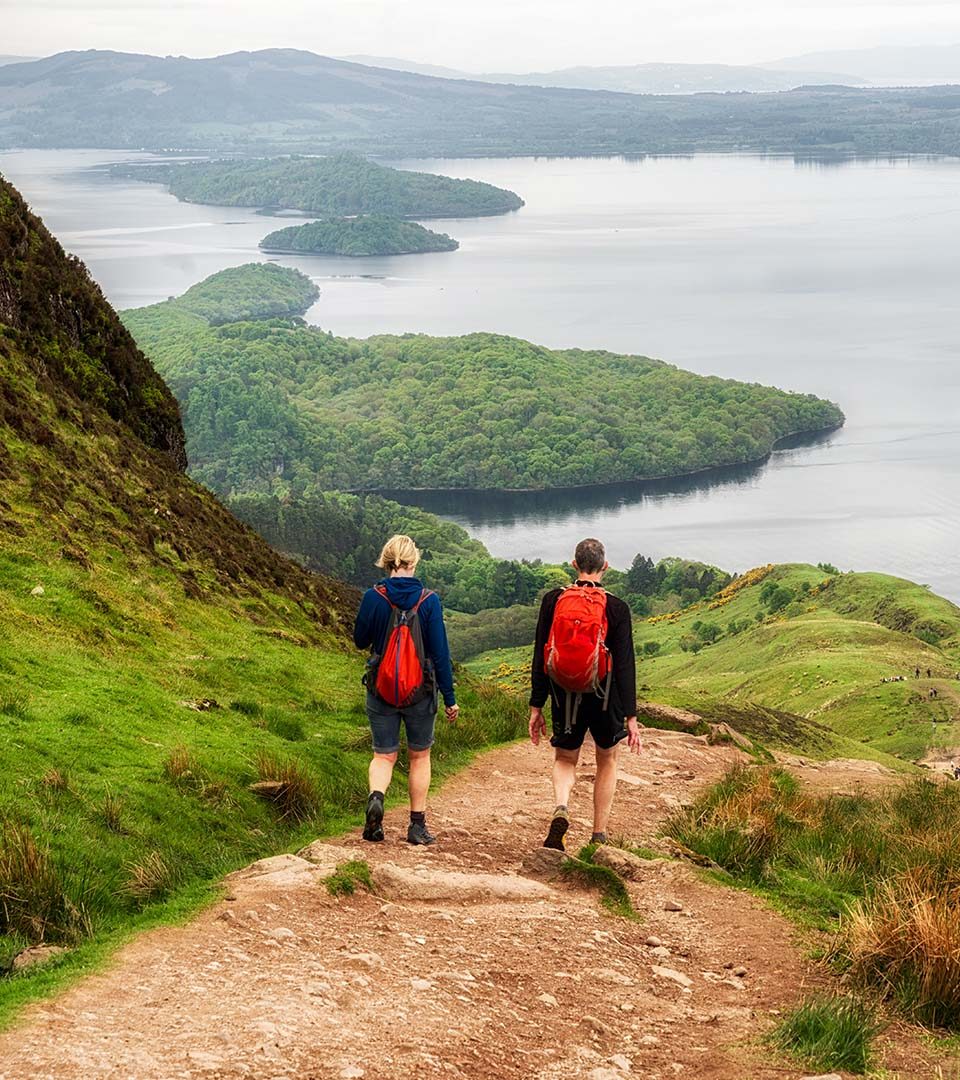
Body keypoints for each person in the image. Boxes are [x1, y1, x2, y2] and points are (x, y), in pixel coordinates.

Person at [529, 537, 641, 850]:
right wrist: (630, 716)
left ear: (575, 564)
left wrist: (536, 705)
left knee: (565, 757)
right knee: (607, 759)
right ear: (605, 566)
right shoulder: (616, 608)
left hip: (564, 692)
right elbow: (625, 665)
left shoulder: (553, 600)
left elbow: (540, 654)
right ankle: (598, 835)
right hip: (605, 696)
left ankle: (562, 806)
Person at [353, 534, 459, 845]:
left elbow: (360, 640)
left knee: (383, 755)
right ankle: (416, 827)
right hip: (420, 694)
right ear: (413, 562)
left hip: (381, 689)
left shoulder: (374, 597)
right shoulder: (429, 600)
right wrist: (450, 699)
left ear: (386, 562)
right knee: (419, 756)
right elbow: (440, 654)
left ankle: (376, 798)